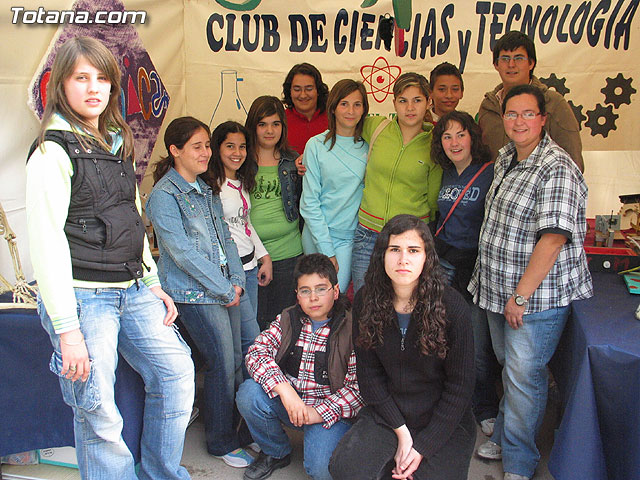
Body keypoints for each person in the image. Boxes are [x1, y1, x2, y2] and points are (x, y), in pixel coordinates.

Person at [25, 36, 194, 480]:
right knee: (99, 414)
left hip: (132, 288)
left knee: (176, 374)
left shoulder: (115, 141)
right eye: (81, 78)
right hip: (83, 298)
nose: (93, 88)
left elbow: (130, 214)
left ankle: (161, 473)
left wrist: (151, 280)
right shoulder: (51, 151)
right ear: (61, 85)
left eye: (102, 79)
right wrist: (68, 330)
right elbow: (46, 244)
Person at [469, 84, 593, 480]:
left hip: (535, 299)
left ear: (543, 119)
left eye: (527, 114)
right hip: (496, 289)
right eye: (511, 113)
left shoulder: (557, 167)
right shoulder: (507, 156)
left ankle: (519, 462)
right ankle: (507, 436)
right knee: (512, 371)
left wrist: (520, 297)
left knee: (524, 378)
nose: (518, 121)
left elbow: (553, 240)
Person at [330, 214, 475, 480]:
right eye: (394, 249)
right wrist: (402, 433)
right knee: (346, 469)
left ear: (427, 257)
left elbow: (460, 388)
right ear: (381, 255)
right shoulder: (366, 300)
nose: (403, 259)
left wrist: (421, 447)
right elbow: (369, 376)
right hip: (389, 414)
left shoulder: (453, 307)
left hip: (443, 419)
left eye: (413, 250)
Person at [146, 117, 253, 468]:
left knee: (234, 360)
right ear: (175, 151)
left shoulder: (206, 189)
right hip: (193, 293)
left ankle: (237, 430)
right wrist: (224, 288)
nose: (206, 152)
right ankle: (221, 442)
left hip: (224, 287)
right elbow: (181, 254)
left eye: (207, 145)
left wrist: (236, 279)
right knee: (222, 363)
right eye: (197, 146)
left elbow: (227, 239)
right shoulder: (164, 195)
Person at [236, 253, 364, 480]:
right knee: (249, 394)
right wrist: (285, 391)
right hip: (291, 404)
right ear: (297, 295)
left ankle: (324, 442)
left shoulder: (352, 329)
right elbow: (256, 352)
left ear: (335, 291)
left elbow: (357, 391)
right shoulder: (288, 318)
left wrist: (317, 413)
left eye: (321, 289)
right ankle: (276, 451)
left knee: (321, 470)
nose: (313, 298)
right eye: (305, 291)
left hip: (328, 413)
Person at [431, 110, 500, 437]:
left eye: (461, 134)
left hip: (475, 269)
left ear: (473, 137)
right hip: (445, 265)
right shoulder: (444, 174)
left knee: (475, 344)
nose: (454, 142)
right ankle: (448, 403)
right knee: (443, 339)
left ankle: (484, 407)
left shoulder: (489, 173)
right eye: (447, 136)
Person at [351, 72, 443, 293]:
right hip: (368, 234)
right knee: (365, 300)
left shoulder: (435, 143)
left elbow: (433, 200)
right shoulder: (377, 127)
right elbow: (341, 130)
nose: (410, 108)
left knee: (405, 303)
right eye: (403, 101)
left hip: (408, 239)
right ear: (394, 103)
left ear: (429, 102)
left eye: (417, 100)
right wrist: (307, 155)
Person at [208, 120, 272, 367]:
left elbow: (245, 224)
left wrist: (264, 257)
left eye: (242, 147)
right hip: (232, 274)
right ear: (217, 148)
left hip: (250, 269)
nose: (237, 153)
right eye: (230, 146)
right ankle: (243, 388)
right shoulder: (211, 186)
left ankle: (247, 385)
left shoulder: (241, 181)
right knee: (250, 340)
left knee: (248, 340)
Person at [477, 30, 584, 172]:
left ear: (531, 63)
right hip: (498, 185)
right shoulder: (488, 106)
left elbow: (573, 163)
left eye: (519, 58)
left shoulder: (553, 103)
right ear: (496, 64)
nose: (511, 64)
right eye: (505, 58)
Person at [300, 79, 369, 292]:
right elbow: (309, 203)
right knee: (319, 296)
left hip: (349, 237)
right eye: (344, 104)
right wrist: (327, 250)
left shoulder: (369, 147)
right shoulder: (316, 145)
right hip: (317, 234)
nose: (351, 111)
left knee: (336, 295)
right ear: (333, 107)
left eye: (357, 104)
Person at [246, 96, 303, 329]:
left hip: (289, 253)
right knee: (254, 325)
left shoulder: (293, 161)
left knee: (284, 324)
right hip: (250, 256)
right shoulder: (241, 160)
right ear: (253, 126)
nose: (270, 131)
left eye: (275, 124)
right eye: (262, 124)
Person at [282, 63, 329, 154]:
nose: (303, 95)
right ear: (289, 91)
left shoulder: (333, 118)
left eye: (309, 89)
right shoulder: (280, 121)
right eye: (297, 89)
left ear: (318, 90)